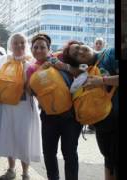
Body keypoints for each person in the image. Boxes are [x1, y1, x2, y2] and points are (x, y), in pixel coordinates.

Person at [0, 32, 42, 180]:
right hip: (7, 107)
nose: (19, 45)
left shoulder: (32, 63)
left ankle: (25, 173)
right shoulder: (2, 61)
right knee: (9, 136)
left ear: (26, 44)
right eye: (15, 43)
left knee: (24, 138)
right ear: (10, 45)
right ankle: (11, 170)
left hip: (25, 108)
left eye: (22, 42)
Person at [27, 34, 82, 180]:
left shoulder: (60, 58)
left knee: (69, 153)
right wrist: (39, 73)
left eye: (42, 47)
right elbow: (29, 91)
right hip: (48, 116)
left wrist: (62, 66)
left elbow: (81, 71)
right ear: (31, 49)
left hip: (70, 116)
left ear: (49, 48)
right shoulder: (31, 68)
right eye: (35, 47)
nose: (39, 50)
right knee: (49, 153)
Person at [62, 41, 118, 180]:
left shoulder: (110, 54)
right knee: (109, 163)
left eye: (80, 47)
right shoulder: (86, 71)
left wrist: (102, 80)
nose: (81, 52)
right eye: (76, 55)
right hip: (103, 126)